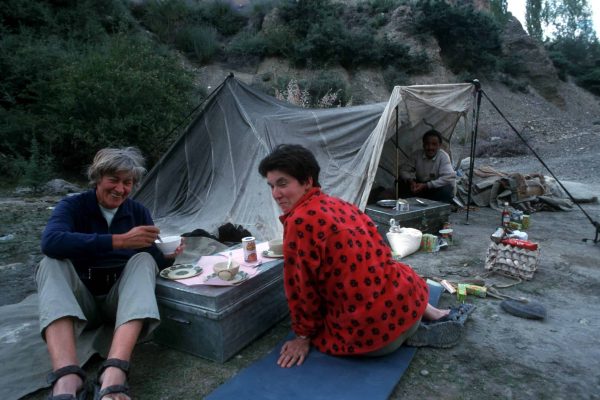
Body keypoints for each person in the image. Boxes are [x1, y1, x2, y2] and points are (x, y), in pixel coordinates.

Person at [258, 144, 469, 368]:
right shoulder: (339, 204)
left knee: (330, 326)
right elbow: (383, 254)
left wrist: (302, 337)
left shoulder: (299, 220)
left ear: (308, 181)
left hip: (373, 338)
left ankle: (405, 338)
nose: (275, 194)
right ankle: (429, 316)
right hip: (409, 304)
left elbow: (301, 288)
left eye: (282, 184)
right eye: (271, 186)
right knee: (396, 269)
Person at [37, 147, 182, 400]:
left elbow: (153, 261)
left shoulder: (137, 212)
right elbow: (50, 242)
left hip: (120, 303)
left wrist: (169, 256)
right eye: (113, 180)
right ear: (98, 178)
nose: (120, 189)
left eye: (127, 183)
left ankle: (115, 371)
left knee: (144, 260)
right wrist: (118, 241)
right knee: (49, 263)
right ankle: (67, 376)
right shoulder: (73, 206)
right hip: (82, 303)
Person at [399, 129, 456, 203]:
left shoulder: (443, 156)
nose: (430, 148)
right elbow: (403, 170)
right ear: (423, 144)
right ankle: (407, 204)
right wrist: (411, 181)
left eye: (434, 144)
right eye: (427, 144)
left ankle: (436, 207)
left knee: (447, 189)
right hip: (421, 187)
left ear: (439, 145)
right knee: (401, 181)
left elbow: (449, 178)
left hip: (436, 188)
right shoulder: (417, 155)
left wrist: (427, 185)